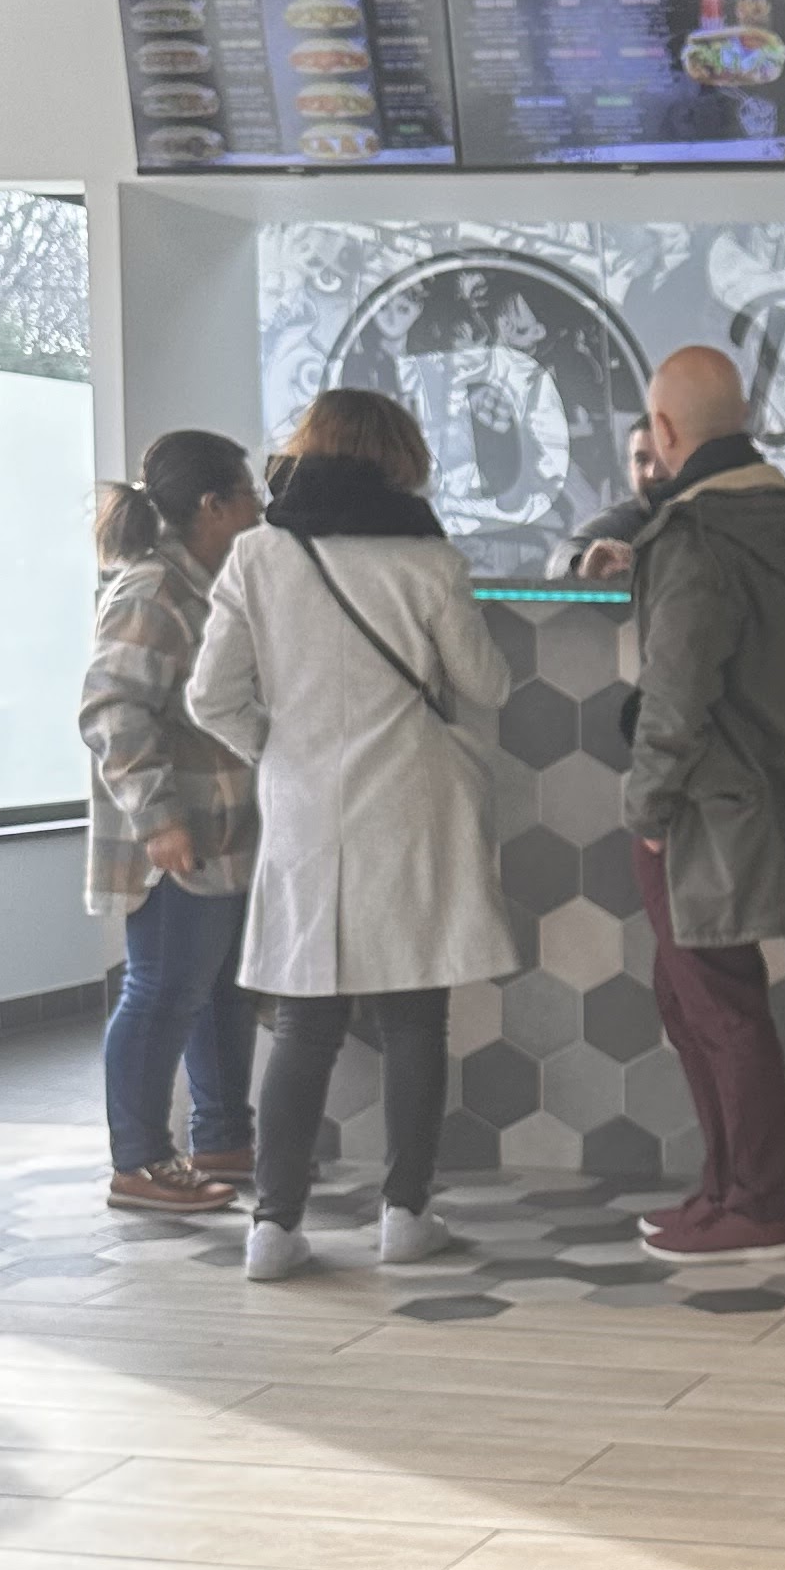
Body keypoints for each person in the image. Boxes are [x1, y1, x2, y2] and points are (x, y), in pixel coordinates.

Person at [186, 387, 516, 1285]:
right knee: (414, 1018)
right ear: (401, 460)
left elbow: (210, 696)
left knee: (305, 1023)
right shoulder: (428, 557)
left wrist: (281, 751)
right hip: (411, 806)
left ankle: (273, 1228)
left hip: (305, 812)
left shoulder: (259, 554)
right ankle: (405, 1214)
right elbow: (486, 685)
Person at [623, 341, 785, 1269]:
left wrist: (645, 806)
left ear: (664, 430)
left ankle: (754, 1206)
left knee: (715, 1003)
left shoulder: (700, 536)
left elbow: (676, 692)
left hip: (704, 809)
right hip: (775, 791)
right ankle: (727, 1192)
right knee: (703, 997)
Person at [81, 429, 263, 1218]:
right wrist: (159, 819)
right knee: (161, 992)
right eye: (248, 493)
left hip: (221, 833)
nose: (260, 507)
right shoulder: (154, 589)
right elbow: (111, 708)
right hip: (174, 841)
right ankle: (140, 1163)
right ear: (212, 506)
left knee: (219, 992)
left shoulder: (209, 583)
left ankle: (221, 1139)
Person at [550, 416, 662, 583]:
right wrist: (581, 566)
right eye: (641, 460)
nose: (652, 473)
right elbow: (564, 556)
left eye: (663, 460)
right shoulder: (630, 517)